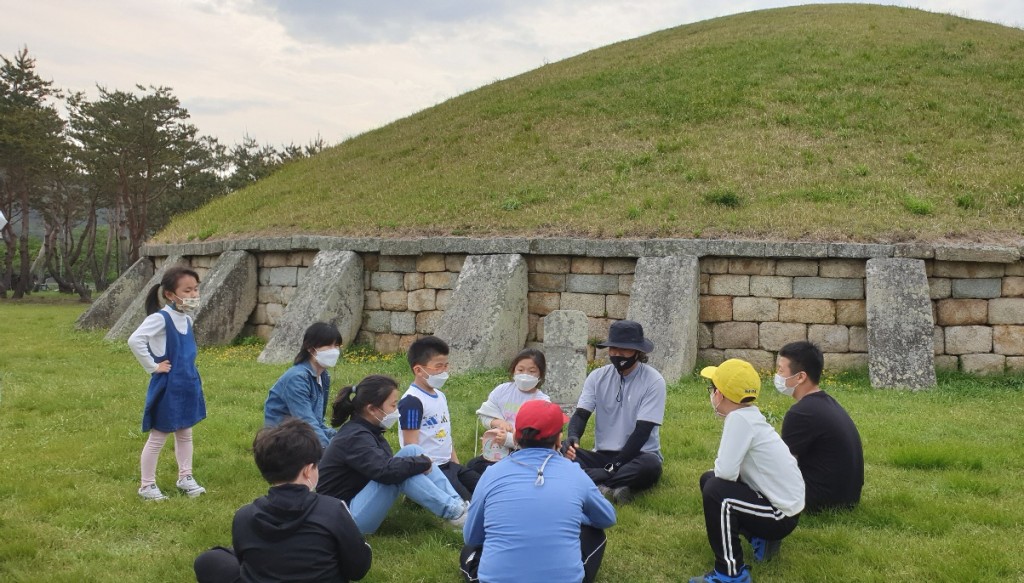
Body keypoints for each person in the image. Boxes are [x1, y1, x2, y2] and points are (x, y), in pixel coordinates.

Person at [193, 418, 371, 583]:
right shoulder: (333, 510)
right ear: (308, 470)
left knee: (211, 560)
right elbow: (357, 569)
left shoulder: (244, 516)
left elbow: (243, 562)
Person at [461, 399, 616, 583]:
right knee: (596, 534)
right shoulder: (574, 473)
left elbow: (472, 536)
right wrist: (575, 515)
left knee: (469, 550)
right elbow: (607, 518)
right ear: (559, 438)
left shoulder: (492, 473)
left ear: (516, 437)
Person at [690, 359, 804, 583]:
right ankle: (760, 538)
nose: (711, 395)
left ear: (720, 394)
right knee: (709, 480)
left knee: (716, 491)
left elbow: (725, 474)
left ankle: (730, 573)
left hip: (780, 515)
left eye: (712, 389)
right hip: (784, 508)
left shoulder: (738, 420)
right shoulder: (749, 415)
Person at [317, 374, 469, 534]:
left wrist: (417, 461)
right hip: (345, 521)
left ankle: (459, 508)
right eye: (393, 405)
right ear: (372, 409)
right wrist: (423, 463)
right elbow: (386, 472)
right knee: (400, 474)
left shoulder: (366, 430)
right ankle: (456, 514)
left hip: (353, 505)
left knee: (413, 451)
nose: (397, 411)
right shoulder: (355, 437)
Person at [563, 320, 666, 504]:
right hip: (602, 454)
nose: (617, 354)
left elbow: (642, 432)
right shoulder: (597, 377)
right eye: (613, 349)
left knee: (650, 467)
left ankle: (596, 483)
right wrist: (573, 437)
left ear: (638, 352)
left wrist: (611, 468)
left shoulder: (654, 381)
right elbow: (580, 414)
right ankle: (615, 486)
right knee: (560, 453)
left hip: (639, 455)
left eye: (624, 349)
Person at [128, 266, 207, 501]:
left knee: (185, 433)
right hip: (168, 388)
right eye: (187, 290)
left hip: (188, 386)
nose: (193, 294)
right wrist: (154, 366)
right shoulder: (160, 319)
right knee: (158, 437)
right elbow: (135, 340)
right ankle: (147, 485)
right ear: (171, 295)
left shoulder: (187, 320)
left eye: (195, 289)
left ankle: (185, 477)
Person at [776, 341, 864, 512]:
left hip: (821, 499)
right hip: (848, 496)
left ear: (800, 377)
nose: (777, 376)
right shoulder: (828, 403)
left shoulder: (801, 413)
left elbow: (783, 466)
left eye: (781, 370)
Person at [398, 336, 480, 499]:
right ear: (419, 370)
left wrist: (457, 467)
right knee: (467, 503)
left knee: (485, 487)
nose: (443, 371)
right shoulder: (412, 401)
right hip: (430, 470)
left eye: (446, 366)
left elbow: (445, 435)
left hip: (449, 465)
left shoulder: (440, 396)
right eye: (438, 367)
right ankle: (416, 496)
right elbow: (411, 447)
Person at [465, 348, 551, 474]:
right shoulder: (502, 391)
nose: (525, 375)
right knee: (473, 466)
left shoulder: (542, 402)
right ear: (513, 370)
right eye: (520, 370)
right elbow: (484, 416)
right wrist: (498, 423)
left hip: (524, 454)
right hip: (497, 449)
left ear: (540, 375)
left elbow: (539, 439)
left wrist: (509, 439)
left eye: (532, 371)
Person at [264, 322, 343, 449]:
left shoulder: (324, 376)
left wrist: (344, 438)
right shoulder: (297, 378)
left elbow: (318, 422)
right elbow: (307, 423)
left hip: (303, 435)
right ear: (311, 348)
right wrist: (331, 453)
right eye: (328, 346)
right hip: (284, 442)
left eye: (337, 346)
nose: (334, 351)